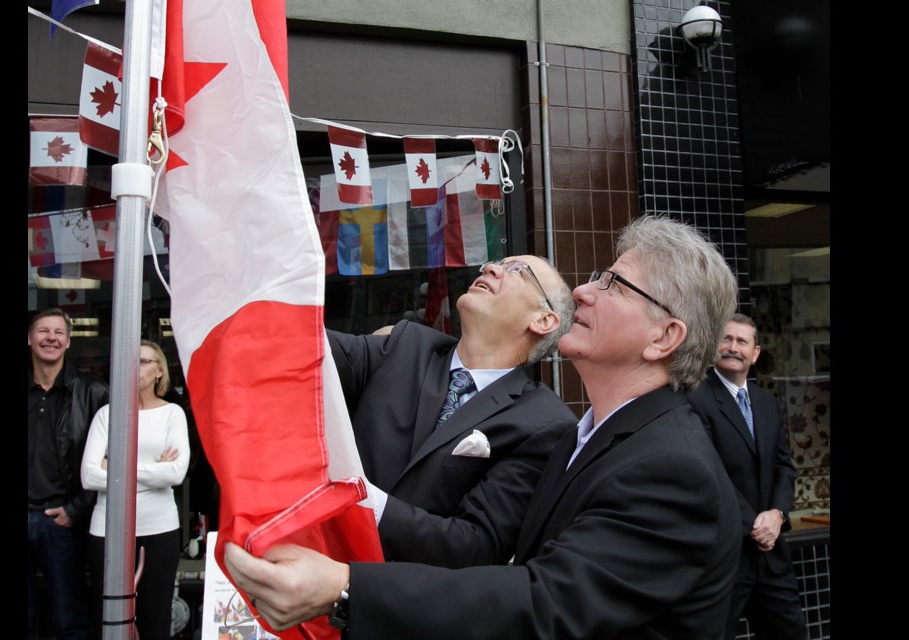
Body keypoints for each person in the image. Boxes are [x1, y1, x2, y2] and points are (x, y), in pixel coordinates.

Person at [223, 215, 744, 640]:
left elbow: (543, 600)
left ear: (664, 338)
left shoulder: (672, 469)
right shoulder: (582, 439)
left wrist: (344, 586)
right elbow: (306, 349)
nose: (584, 291)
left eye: (613, 284)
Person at [327, 254, 577, 567]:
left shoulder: (544, 423)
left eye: (518, 270)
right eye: (495, 262)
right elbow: (312, 349)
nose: (491, 268)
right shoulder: (406, 345)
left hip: (400, 600)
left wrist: (359, 498)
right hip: (309, 555)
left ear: (543, 320)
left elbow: (476, 544)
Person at [688, 314, 807, 640]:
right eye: (726, 340)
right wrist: (755, 523)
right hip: (725, 559)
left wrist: (778, 515)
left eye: (742, 342)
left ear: (755, 354)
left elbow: (784, 466)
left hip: (772, 558)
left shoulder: (766, 403)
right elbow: (708, 471)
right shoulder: (695, 399)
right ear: (714, 347)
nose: (733, 348)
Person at [81, 340, 190, 640]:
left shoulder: (173, 415)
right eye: (131, 361)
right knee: (108, 618)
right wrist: (154, 469)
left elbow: (176, 472)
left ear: (158, 371)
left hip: (160, 529)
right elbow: (89, 476)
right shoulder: (107, 414)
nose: (136, 367)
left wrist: (115, 468)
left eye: (144, 361)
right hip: (107, 529)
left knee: (155, 618)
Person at [28, 308, 109, 640]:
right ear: (29, 339)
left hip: (61, 521)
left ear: (68, 342)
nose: (51, 338)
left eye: (59, 332)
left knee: (69, 618)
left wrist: (76, 510)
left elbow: (111, 463)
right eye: (44, 331)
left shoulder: (93, 393)